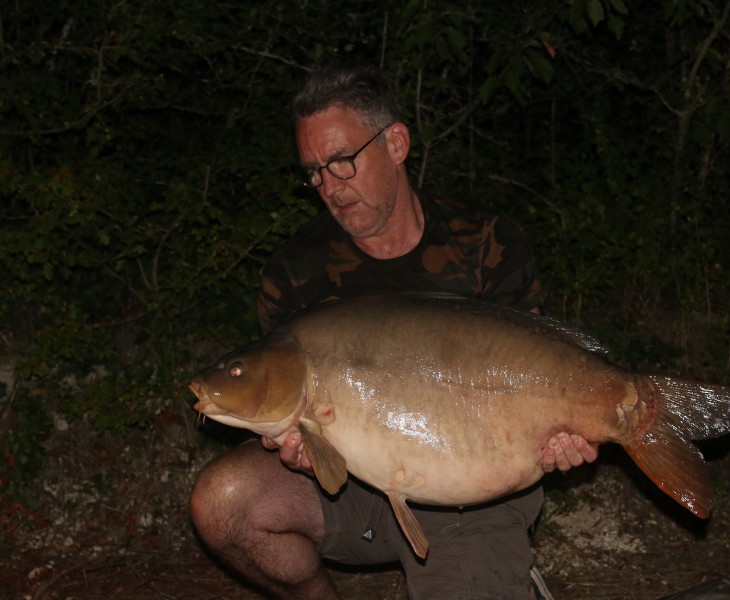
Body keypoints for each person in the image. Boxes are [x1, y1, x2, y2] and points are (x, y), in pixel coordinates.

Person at [190, 65, 598, 600]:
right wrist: (299, 447)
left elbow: (538, 374)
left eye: (342, 162)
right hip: (355, 485)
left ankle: (502, 577)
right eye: (314, 172)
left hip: (470, 488)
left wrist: (561, 437)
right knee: (222, 501)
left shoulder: (485, 244)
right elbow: (303, 431)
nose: (330, 188)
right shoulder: (295, 269)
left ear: (397, 143)